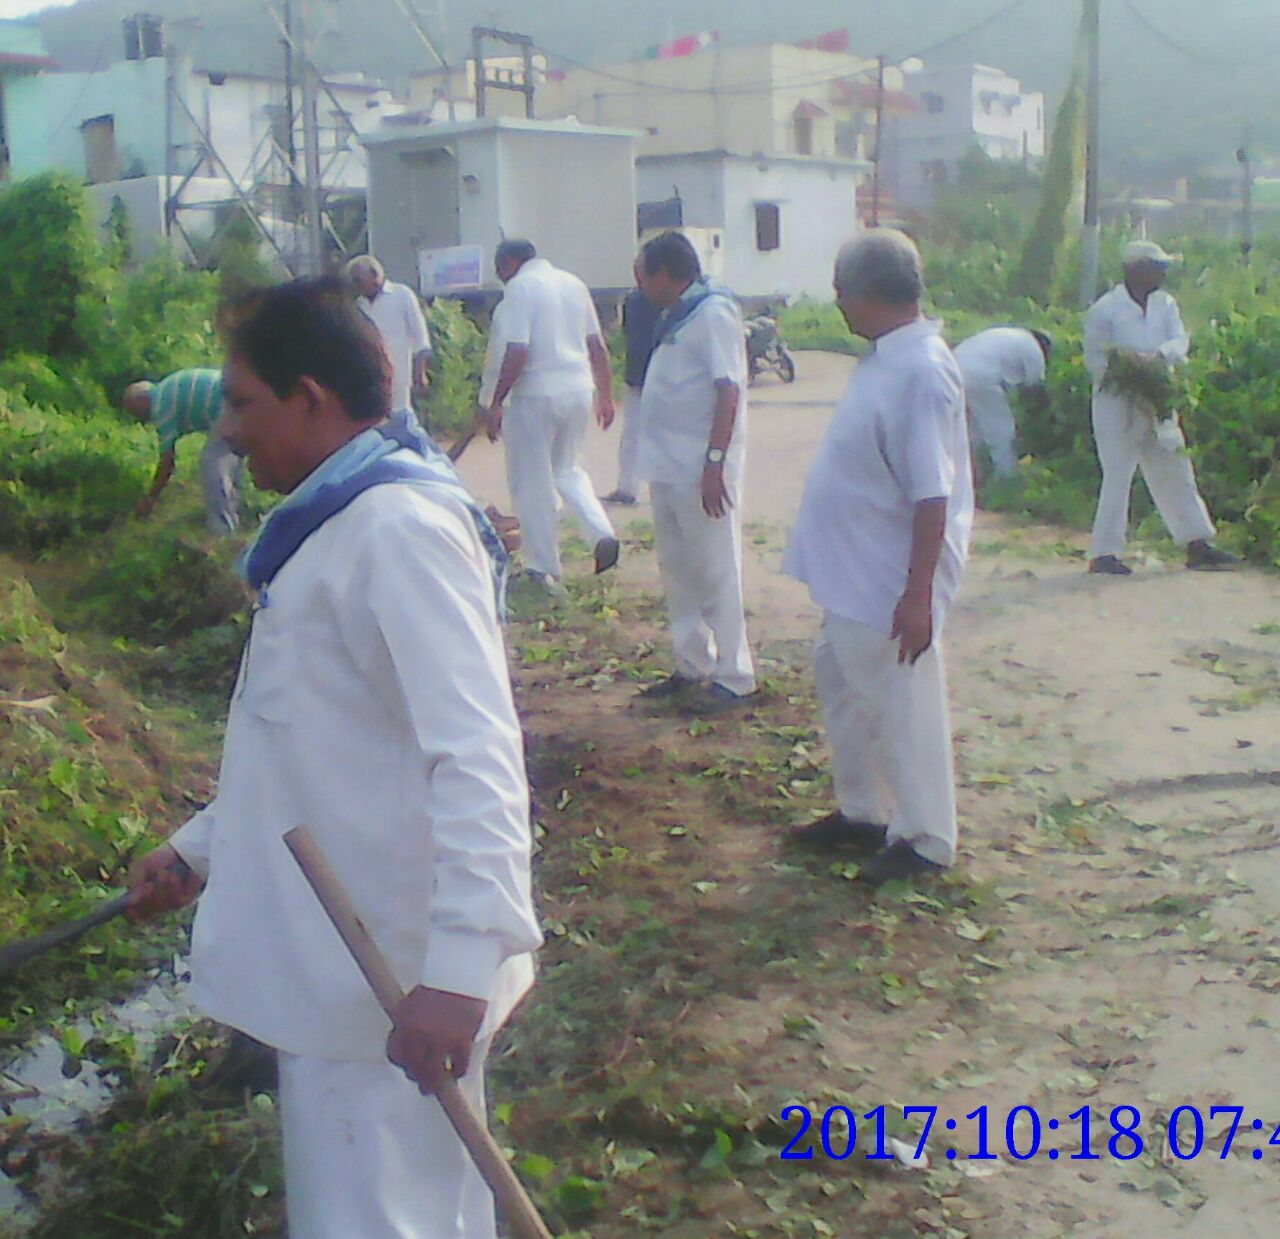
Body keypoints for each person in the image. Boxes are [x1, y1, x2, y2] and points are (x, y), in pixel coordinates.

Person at [126, 278, 541, 1238]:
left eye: (242, 403)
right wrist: (199, 849)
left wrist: (458, 971)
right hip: (347, 982)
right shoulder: (337, 523)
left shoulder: (397, 530)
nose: (229, 430)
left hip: (392, 988)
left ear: (311, 398)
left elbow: (478, 753)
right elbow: (310, 743)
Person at [785, 230, 972, 885]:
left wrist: (918, 595)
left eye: (842, 292)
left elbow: (932, 494)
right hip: (854, 572)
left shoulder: (920, 370)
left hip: (888, 577)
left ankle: (926, 837)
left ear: (869, 294)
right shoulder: (886, 358)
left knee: (903, 707)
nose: (837, 303)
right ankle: (861, 811)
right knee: (844, 690)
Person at [635, 230, 756, 711]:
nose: (641, 287)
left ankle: (735, 674)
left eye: (643, 277)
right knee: (679, 571)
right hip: (667, 468)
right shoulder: (678, 316)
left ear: (665, 274)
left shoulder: (713, 313)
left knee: (716, 569)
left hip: (699, 469)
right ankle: (692, 663)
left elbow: (729, 390)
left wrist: (715, 463)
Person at [1085, 239, 1236, 575]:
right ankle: (1105, 553)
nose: (1162, 274)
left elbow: (1180, 340)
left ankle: (1196, 543)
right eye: (1157, 268)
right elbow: (1096, 361)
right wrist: (1130, 367)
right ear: (1135, 270)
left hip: (1159, 399)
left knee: (1176, 469)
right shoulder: (1105, 310)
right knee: (1118, 476)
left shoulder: (1165, 304)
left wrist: (1158, 356)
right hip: (1118, 404)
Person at [484, 239, 620, 590]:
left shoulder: (520, 288)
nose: (500, 277)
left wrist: (496, 402)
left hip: (535, 393)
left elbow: (517, 350)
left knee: (532, 481)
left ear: (510, 262)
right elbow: (596, 346)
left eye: (500, 269)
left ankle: (542, 566)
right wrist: (605, 395)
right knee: (567, 470)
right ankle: (601, 533)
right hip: (578, 388)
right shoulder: (573, 283)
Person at [124, 368, 243, 534]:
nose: (141, 419)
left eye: (135, 412)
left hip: (225, 402)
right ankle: (237, 518)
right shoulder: (166, 389)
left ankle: (223, 530)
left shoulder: (160, 407)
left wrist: (150, 498)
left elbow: (167, 463)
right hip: (235, 390)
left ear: (141, 402)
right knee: (230, 456)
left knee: (212, 463)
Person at [953, 326, 1052, 478]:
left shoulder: (1010, 336)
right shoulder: (1035, 351)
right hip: (980, 376)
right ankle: (1007, 474)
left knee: (973, 428)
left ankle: (969, 473)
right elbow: (1036, 392)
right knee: (1001, 429)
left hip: (953, 366)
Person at [347, 254, 434, 423]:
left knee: (401, 417)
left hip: (399, 372)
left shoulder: (401, 294)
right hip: (372, 377)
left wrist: (420, 372)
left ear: (374, 275)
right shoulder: (360, 305)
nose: (356, 285)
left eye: (358, 280)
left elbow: (420, 336)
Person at [601, 259, 660, 506]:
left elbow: (627, 332)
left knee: (640, 435)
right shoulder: (639, 299)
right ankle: (629, 488)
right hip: (642, 372)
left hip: (651, 373)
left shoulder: (637, 300)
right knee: (634, 435)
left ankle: (637, 488)